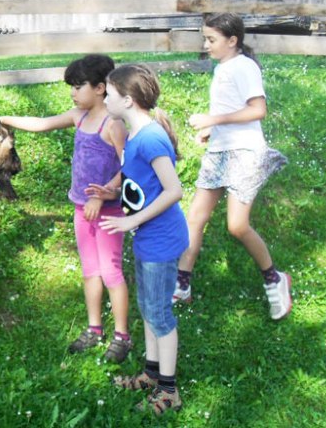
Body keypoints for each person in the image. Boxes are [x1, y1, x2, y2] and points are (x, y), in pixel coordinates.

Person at [0, 54, 133, 362]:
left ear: (101, 88)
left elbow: (130, 166)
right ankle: (94, 328)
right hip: (80, 209)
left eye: (78, 86)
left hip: (108, 212)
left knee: (111, 272)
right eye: (71, 87)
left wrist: (104, 195)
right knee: (90, 271)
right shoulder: (80, 116)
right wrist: (5, 119)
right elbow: (41, 124)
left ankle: (122, 335)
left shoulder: (113, 124)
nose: (73, 92)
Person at [172, 13, 291, 321]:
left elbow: (258, 109)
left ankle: (274, 279)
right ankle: (181, 284)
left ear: (232, 40)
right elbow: (230, 108)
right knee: (195, 217)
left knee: (237, 225)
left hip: (244, 154)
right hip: (220, 151)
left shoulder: (244, 66)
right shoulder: (223, 68)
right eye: (205, 39)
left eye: (211, 39)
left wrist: (214, 120)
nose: (206, 45)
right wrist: (212, 130)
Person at [95, 63, 188, 415]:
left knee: (159, 314)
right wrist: (110, 191)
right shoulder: (135, 134)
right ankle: (151, 374)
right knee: (149, 308)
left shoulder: (150, 137)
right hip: (148, 238)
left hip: (160, 240)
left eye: (110, 91)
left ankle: (169, 392)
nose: (105, 95)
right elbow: (138, 180)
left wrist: (130, 219)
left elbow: (174, 190)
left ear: (128, 100)